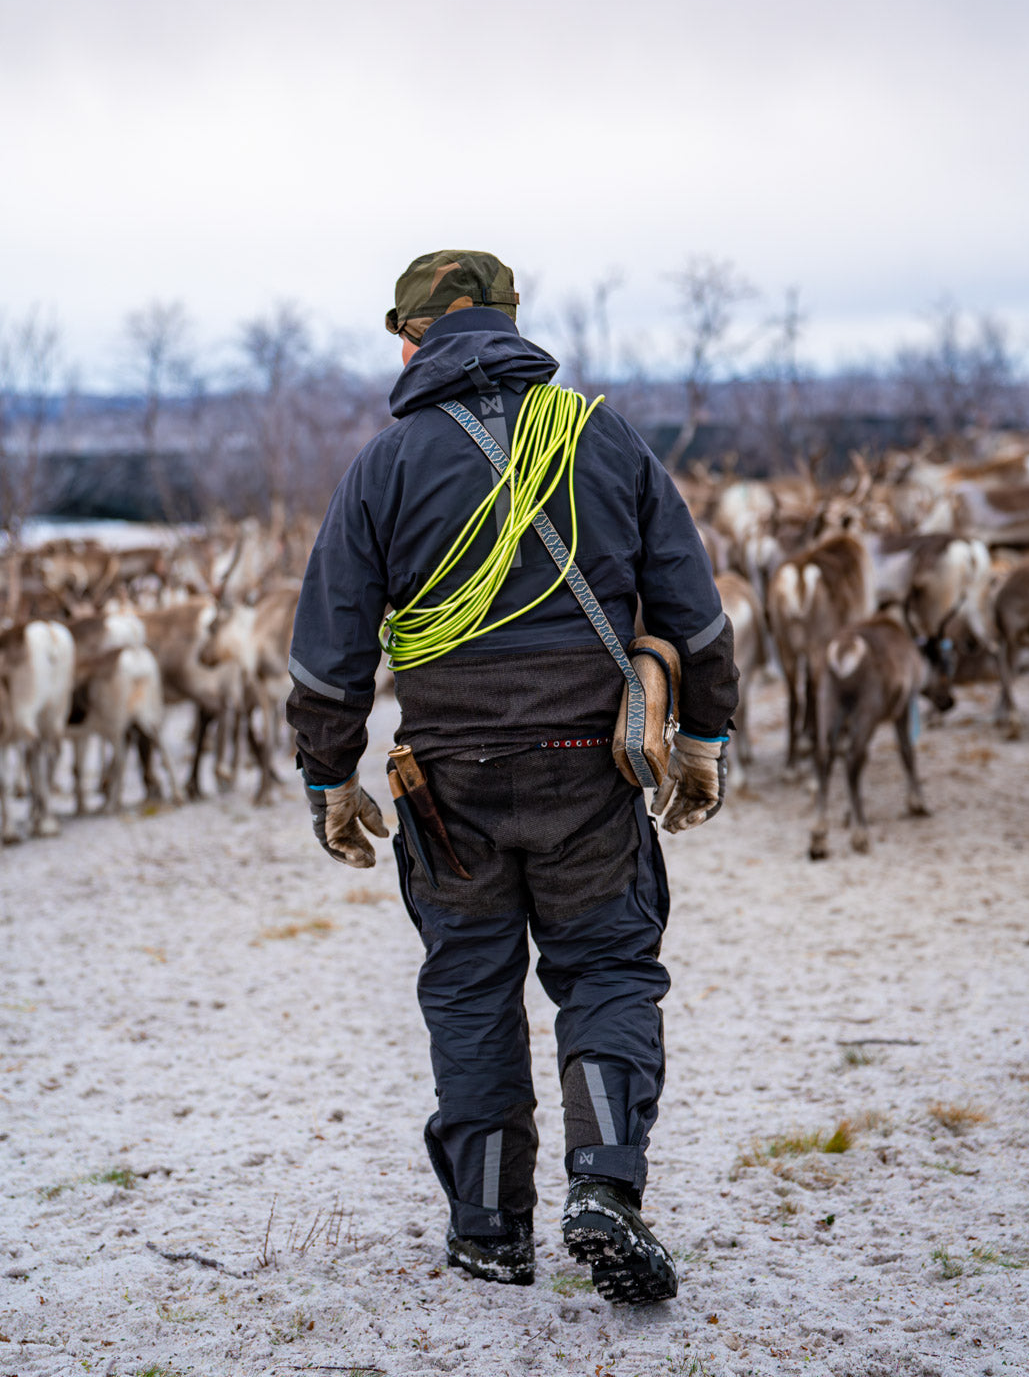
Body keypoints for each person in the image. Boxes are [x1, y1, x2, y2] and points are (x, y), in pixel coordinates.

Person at [287, 250, 738, 1304]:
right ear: (509, 322)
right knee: (607, 972)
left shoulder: (384, 465)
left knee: (470, 990)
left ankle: (490, 1228)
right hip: (589, 768)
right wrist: (703, 738)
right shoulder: (601, 435)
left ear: (411, 340)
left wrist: (328, 778)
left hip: (446, 782)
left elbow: (327, 652)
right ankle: (604, 1187)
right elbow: (695, 612)